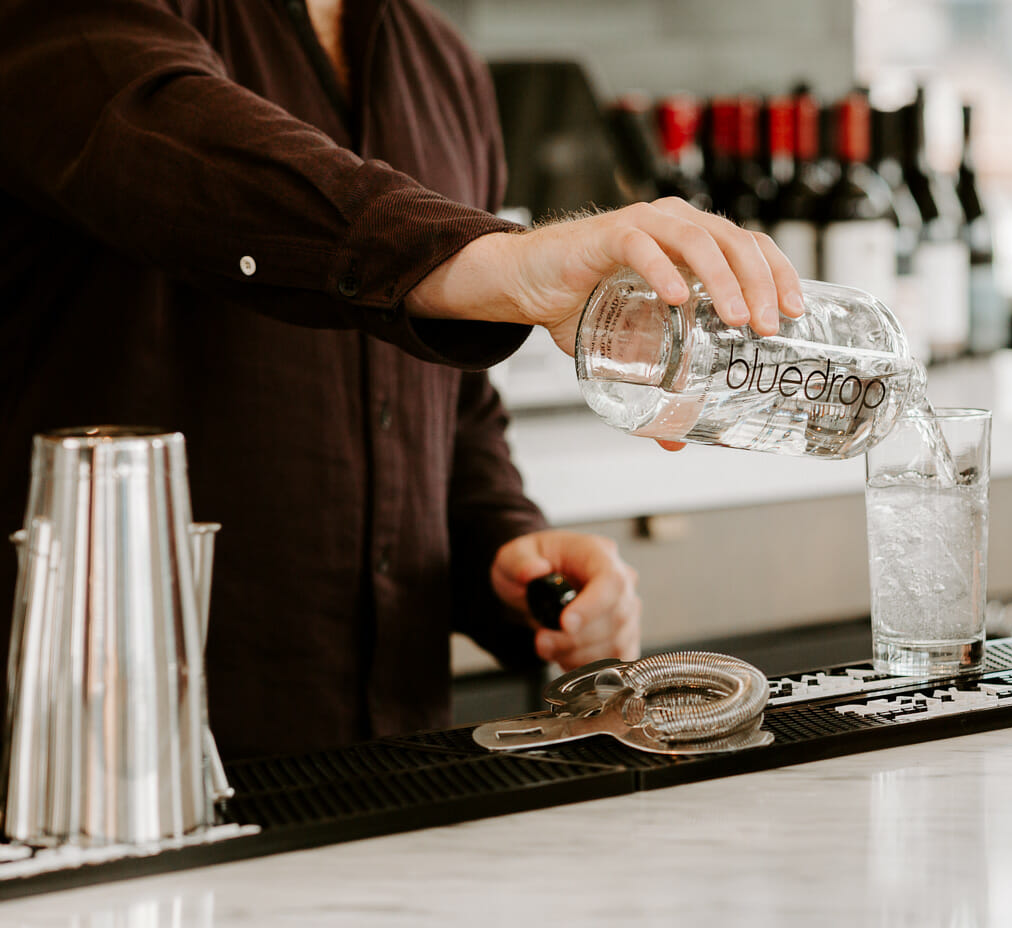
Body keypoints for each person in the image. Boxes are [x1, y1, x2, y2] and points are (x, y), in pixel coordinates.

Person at [0, 0, 805, 760]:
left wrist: (507, 547)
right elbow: (183, 151)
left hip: (394, 767)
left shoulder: (442, 65)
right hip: (116, 769)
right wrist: (504, 258)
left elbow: (445, 411)